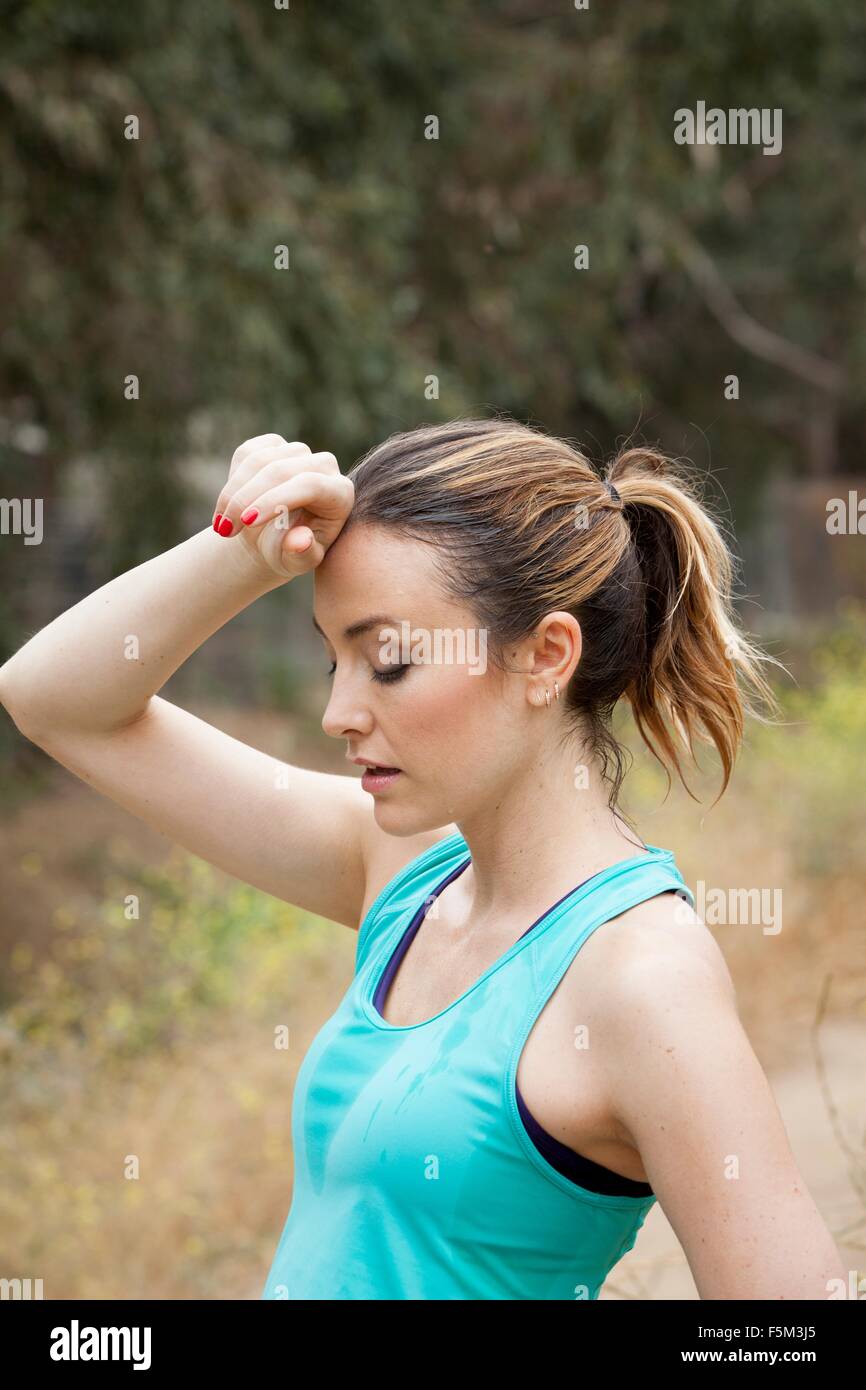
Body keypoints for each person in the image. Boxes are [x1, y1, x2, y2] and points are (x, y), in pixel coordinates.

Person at [0, 417, 847, 1300]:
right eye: (336, 660)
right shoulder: (401, 873)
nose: (339, 713)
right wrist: (247, 554)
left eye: (390, 661)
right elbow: (53, 700)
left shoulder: (641, 976)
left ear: (546, 656)